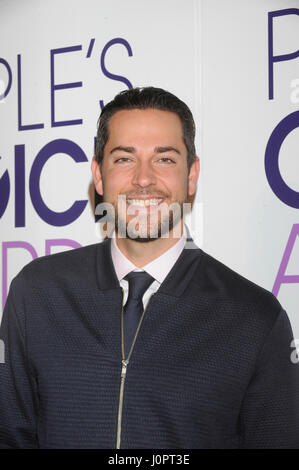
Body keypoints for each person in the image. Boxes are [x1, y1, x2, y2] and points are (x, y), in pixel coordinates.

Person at [0, 87, 298, 449]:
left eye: (165, 159)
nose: (143, 179)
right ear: (98, 175)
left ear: (191, 175)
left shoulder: (255, 318)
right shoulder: (36, 294)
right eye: (124, 159)